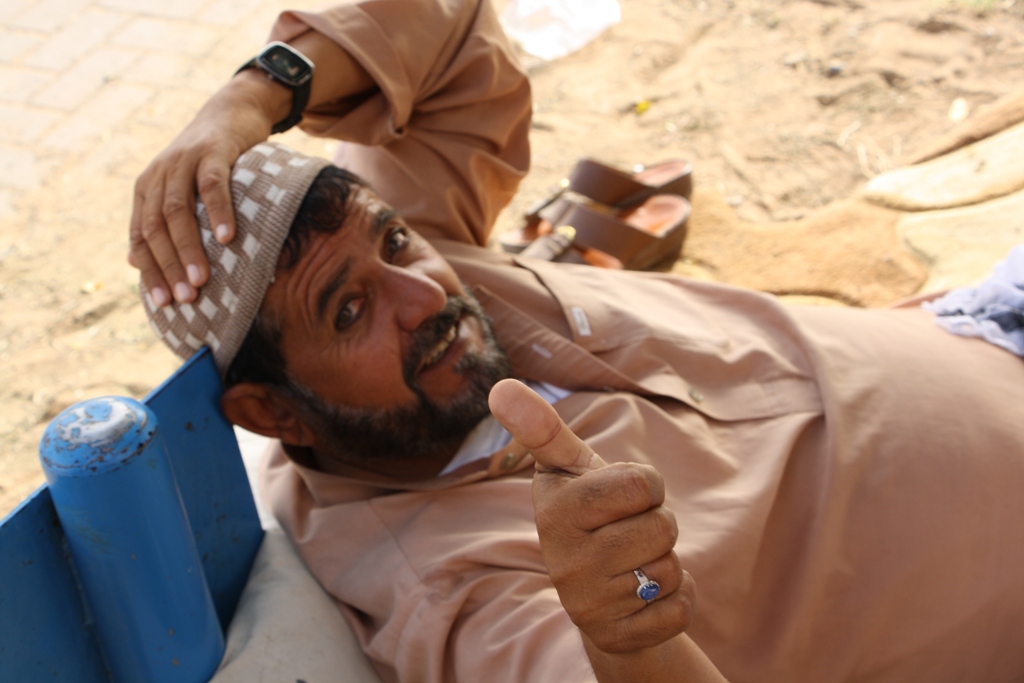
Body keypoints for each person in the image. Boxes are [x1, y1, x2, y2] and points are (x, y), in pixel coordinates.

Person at [131, 1, 1024, 682]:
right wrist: (625, 627)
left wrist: (258, 88)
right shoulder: (446, 584)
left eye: (394, 238)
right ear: (272, 410)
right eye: (348, 311)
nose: (424, 292)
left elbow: (453, 27)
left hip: (975, 321)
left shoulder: (422, 265)